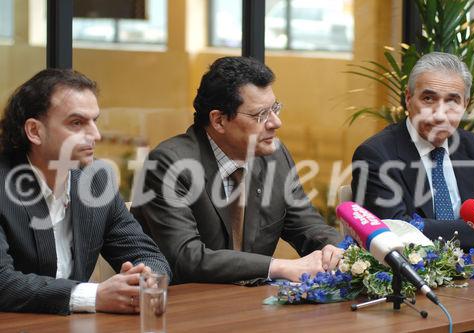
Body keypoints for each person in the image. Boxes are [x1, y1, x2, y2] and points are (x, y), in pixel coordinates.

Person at [131, 56, 343, 285]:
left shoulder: (275, 157)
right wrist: (280, 267)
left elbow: (308, 226)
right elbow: (185, 257)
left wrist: (332, 249)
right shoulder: (169, 164)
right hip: (185, 308)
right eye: (261, 115)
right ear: (219, 121)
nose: (276, 122)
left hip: (254, 305)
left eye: (275, 109)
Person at [0, 69, 171, 315]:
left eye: (95, 121)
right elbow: (3, 283)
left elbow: (147, 255)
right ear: (35, 131)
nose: (95, 135)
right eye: (77, 123)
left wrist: (144, 279)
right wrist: (95, 296)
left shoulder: (96, 182)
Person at [351, 52, 474, 249]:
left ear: (466, 104)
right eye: (429, 99)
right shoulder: (375, 155)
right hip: (411, 274)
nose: (439, 115)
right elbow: (396, 229)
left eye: (452, 101)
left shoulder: (469, 145)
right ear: (408, 98)